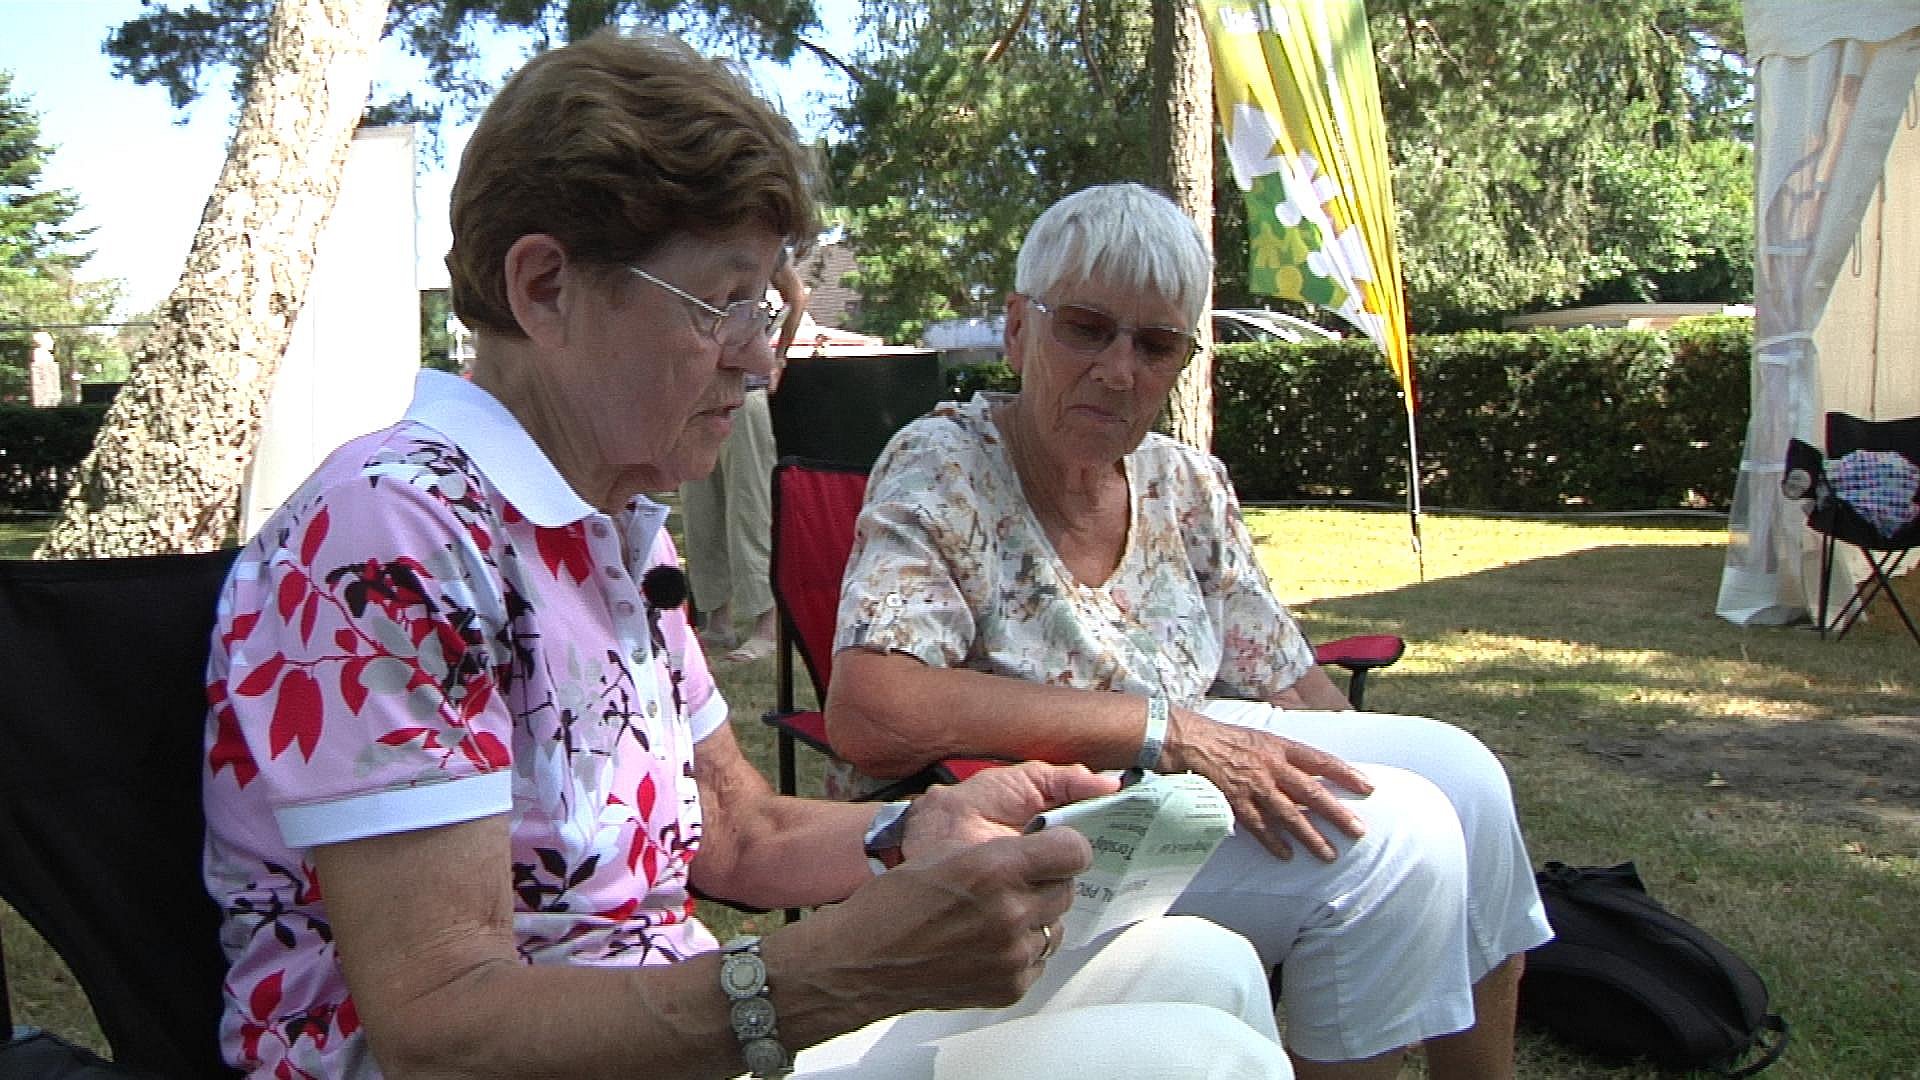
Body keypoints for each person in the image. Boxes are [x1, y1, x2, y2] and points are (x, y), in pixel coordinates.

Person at [200, 41, 1294, 1080]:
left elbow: (736, 827)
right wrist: (830, 975)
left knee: (1212, 969)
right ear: (544, 288)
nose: (764, 359)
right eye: (725, 304)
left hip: (674, 1041)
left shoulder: (609, 527)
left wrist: (917, 828)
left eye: (770, 307)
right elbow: (441, 1029)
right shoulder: (391, 537)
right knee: (1202, 1060)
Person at [825, 182, 1555, 1080]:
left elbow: (1289, 682)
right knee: (1396, 840)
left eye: (1156, 343)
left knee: (1466, 779)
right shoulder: (944, 463)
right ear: (1018, 329)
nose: (1120, 369)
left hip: (1183, 791)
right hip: (1041, 812)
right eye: (1086, 327)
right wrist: (1168, 729)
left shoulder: (1185, 483)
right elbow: (871, 708)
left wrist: (1344, 758)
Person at [678, 259, 809, 664]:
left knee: (750, 511)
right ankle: (716, 621)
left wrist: (780, 358)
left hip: (744, 394)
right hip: (692, 395)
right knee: (700, 512)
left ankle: (767, 627)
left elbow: (796, 295)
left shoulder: (758, 242)